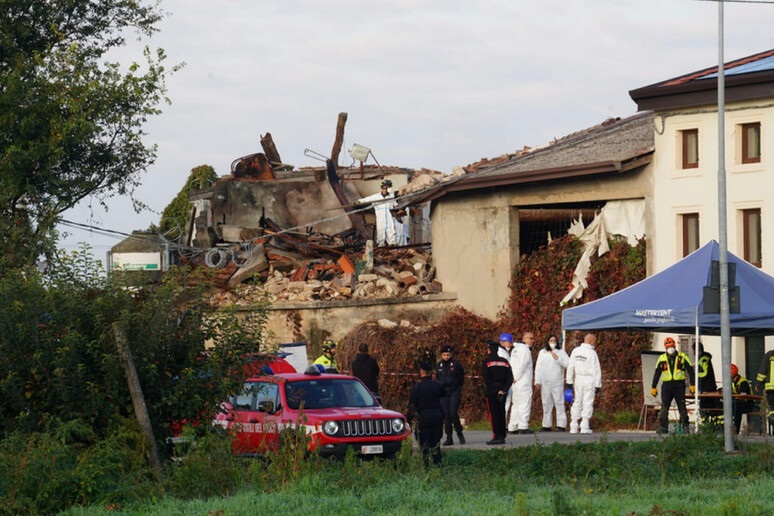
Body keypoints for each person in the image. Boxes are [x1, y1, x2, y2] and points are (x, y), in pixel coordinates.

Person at [650, 336, 695, 435]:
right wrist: (653, 386)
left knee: (682, 407)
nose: (670, 349)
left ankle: (685, 427)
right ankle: (663, 428)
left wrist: (693, 384)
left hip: (679, 386)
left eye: (671, 346)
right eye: (668, 347)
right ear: (665, 348)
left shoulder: (683, 356)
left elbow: (691, 371)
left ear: (674, 346)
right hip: (667, 386)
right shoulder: (662, 358)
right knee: (664, 407)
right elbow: (657, 373)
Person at [406, 361, 445, 466]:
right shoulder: (437, 385)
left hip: (424, 417)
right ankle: (438, 465)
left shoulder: (417, 388)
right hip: (437, 416)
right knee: (436, 443)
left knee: (424, 444)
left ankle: (426, 466)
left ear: (421, 373)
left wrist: (408, 420)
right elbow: (443, 398)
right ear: (431, 373)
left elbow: (412, 406)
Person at [566, 333, 602, 434]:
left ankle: (573, 425)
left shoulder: (576, 351)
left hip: (578, 379)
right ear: (591, 341)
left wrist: (569, 381)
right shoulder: (592, 353)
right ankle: (584, 425)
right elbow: (596, 369)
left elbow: (570, 367)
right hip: (589, 379)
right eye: (594, 342)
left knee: (577, 401)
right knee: (587, 401)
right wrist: (598, 384)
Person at [534, 334, 570, 432]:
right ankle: (546, 425)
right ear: (547, 341)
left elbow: (567, 364)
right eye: (551, 340)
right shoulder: (543, 352)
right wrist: (537, 381)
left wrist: (558, 359)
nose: (553, 342)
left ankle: (561, 425)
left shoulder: (561, 352)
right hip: (545, 381)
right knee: (546, 403)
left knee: (559, 402)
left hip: (556, 381)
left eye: (554, 340)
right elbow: (538, 367)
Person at [482, 339, 513, 445]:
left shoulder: (486, 362)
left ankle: (497, 435)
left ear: (489, 350)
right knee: (501, 413)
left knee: (494, 414)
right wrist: (503, 390)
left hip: (492, 392)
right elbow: (510, 377)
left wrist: (496, 390)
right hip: (503, 392)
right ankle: (502, 435)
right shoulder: (505, 361)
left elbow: (487, 379)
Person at [435, 345, 466, 446]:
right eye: (444, 355)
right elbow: (438, 378)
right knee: (446, 415)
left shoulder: (456, 364)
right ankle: (449, 438)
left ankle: (459, 433)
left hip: (454, 391)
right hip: (444, 392)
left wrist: (457, 386)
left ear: (451, 354)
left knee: (453, 412)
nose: (446, 357)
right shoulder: (439, 365)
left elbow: (461, 376)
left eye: (448, 355)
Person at [356, 179, 397, 246]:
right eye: (388, 187)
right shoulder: (376, 197)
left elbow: (396, 205)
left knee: (391, 231)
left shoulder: (392, 196)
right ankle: (381, 246)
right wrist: (359, 201)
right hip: (380, 218)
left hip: (389, 218)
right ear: (383, 187)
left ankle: (392, 245)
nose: (389, 188)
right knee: (380, 233)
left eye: (389, 187)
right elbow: (367, 199)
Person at [508, 332, 534, 434]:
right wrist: (516, 377)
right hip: (523, 380)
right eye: (531, 338)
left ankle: (513, 426)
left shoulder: (515, 349)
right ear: (524, 338)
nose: (532, 341)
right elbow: (522, 366)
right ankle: (523, 426)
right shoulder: (524, 349)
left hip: (515, 382)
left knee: (516, 404)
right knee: (524, 403)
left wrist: (512, 378)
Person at [696, 341, 720, 425]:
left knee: (704, 408)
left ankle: (706, 425)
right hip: (709, 387)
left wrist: (696, 377)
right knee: (710, 407)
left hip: (706, 388)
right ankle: (711, 424)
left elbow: (704, 374)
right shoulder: (705, 358)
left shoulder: (703, 359)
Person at [729, 363, 755, 434]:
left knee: (736, 407)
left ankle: (735, 431)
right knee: (725, 404)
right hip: (737, 403)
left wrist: (732, 394)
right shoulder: (732, 382)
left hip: (748, 404)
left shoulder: (743, 382)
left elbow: (742, 395)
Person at [755, 349, 774, 432]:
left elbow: (762, 371)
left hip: (771, 389)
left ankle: (773, 420)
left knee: (772, 409)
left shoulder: (769, 355)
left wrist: (758, 383)